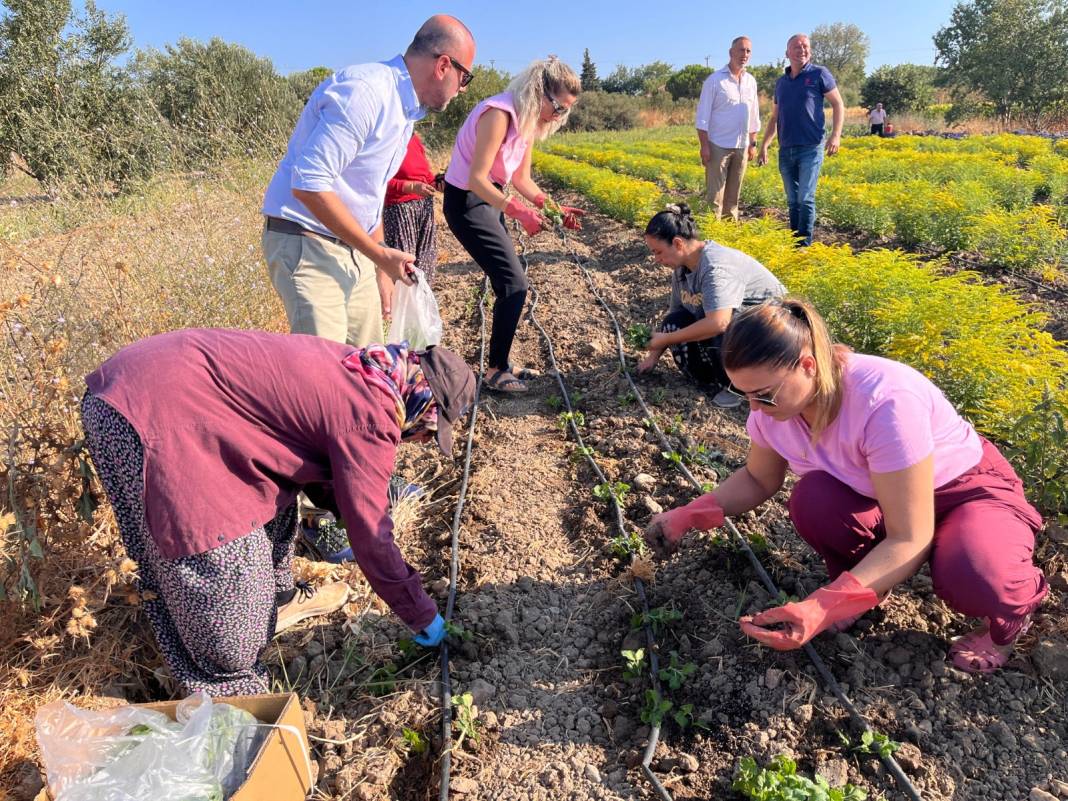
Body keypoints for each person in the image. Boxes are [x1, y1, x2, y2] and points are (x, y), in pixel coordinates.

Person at [644, 299, 1047, 674]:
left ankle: (1008, 619)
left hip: (962, 490)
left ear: (807, 365)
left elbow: (911, 536)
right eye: (743, 393)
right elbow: (757, 478)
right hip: (884, 494)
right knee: (815, 501)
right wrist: (689, 515)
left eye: (764, 395)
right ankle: (867, 585)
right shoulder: (775, 411)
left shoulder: (883, 401)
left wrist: (822, 606)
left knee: (975, 574)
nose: (753, 409)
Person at [81, 329, 476, 695]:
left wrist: (350, 517)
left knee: (274, 501)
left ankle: (274, 602)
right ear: (424, 401)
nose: (424, 440)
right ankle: (225, 695)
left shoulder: (365, 369)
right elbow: (371, 532)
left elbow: (317, 465)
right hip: (152, 413)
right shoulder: (371, 414)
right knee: (214, 562)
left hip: (131, 387)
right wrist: (421, 613)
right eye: (431, 429)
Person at [262, 15, 475, 346]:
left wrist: (380, 266)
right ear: (444, 65)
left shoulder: (404, 111)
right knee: (326, 374)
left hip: (353, 247)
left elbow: (369, 195)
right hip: (309, 242)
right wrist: (378, 255)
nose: (462, 90)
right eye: (466, 78)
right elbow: (309, 182)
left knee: (369, 364)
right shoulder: (366, 92)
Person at [443, 56, 585, 393]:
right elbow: (477, 179)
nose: (559, 115)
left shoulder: (527, 122)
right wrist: (520, 212)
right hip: (467, 202)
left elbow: (522, 179)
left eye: (566, 110)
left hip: (488, 199)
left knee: (507, 282)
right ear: (540, 92)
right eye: (559, 107)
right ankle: (495, 371)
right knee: (514, 283)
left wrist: (552, 209)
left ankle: (501, 363)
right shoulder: (499, 113)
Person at [636, 204, 786, 408]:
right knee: (674, 322)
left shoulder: (716, 267)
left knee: (724, 326)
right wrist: (653, 356)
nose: (657, 259)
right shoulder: (681, 270)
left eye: (659, 252)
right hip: (739, 332)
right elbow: (675, 313)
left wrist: (667, 338)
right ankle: (713, 380)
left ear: (678, 243)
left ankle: (739, 388)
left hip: (772, 339)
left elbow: (719, 322)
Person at [757, 34, 845, 246]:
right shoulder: (781, 83)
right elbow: (775, 118)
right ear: (787, 53)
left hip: (811, 147)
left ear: (810, 51)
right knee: (792, 200)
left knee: (805, 197)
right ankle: (795, 242)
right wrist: (765, 146)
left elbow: (838, 104)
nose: (801, 50)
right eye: (796, 47)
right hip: (786, 149)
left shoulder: (819, 74)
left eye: (805, 46)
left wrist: (835, 135)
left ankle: (804, 245)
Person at [695, 36, 761, 221]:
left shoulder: (751, 81)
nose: (744, 54)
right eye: (741, 50)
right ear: (731, 52)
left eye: (748, 51)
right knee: (715, 198)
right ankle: (712, 238)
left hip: (742, 146)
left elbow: (754, 115)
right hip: (718, 146)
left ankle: (728, 240)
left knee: (733, 199)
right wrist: (705, 146)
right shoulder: (715, 81)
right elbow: (702, 117)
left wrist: (753, 143)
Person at [384, 131, 440, 287]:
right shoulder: (385, 139)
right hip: (399, 208)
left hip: (424, 205)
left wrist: (438, 182)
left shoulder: (413, 138)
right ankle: (401, 306)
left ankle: (422, 301)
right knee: (405, 263)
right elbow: (377, 179)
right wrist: (408, 186)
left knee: (426, 258)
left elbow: (425, 174)